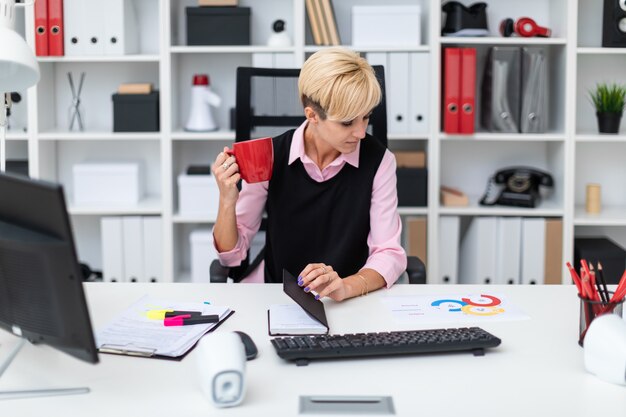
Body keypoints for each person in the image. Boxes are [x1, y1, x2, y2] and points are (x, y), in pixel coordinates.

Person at [212, 47, 406, 301]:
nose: (361, 132)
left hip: (349, 300)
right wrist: (227, 200)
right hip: (277, 294)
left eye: (366, 117)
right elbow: (232, 255)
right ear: (312, 115)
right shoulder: (270, 156)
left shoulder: (380, 161)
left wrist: (345, 287)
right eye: (347, 122)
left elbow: (388, 253)